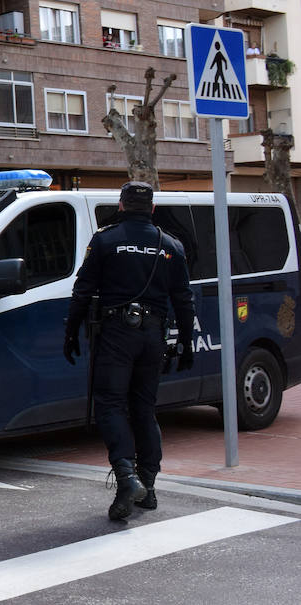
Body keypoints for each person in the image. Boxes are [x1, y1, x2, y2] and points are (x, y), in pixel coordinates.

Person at [63, 182, 196, 520]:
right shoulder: (171, 245)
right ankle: (147, 488)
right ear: (152, 209)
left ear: (121, 206)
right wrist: (187, 343)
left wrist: (71, 332)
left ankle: (126, 477)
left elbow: (83, 290)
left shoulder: (106, 239)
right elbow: (183, 299)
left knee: (109, 404)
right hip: (154, 334)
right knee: (144, 408)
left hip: (117, 333)